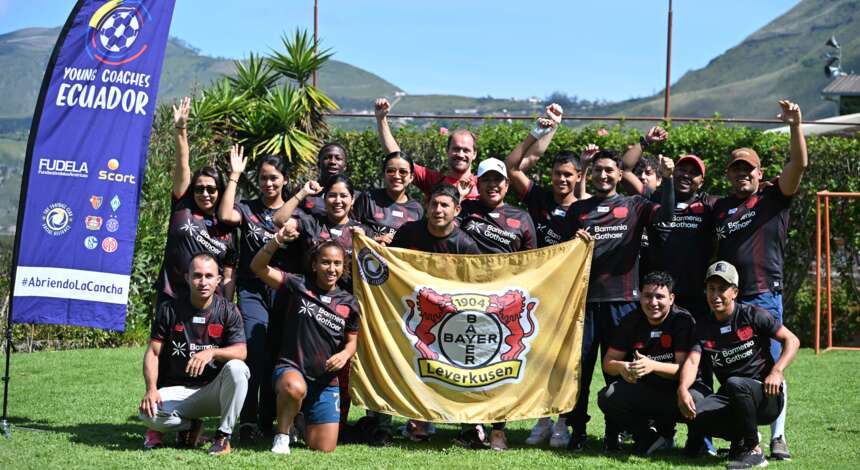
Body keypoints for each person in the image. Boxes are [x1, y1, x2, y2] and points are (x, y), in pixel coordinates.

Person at [560, 149, 675, 451]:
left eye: (610, 170)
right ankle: (578, 431)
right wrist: (575, 243)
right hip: (584, 304)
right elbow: (561, 256)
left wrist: (669, 180)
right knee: (580, 372)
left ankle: (615, 432)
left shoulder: (634, 205)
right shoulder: (578, 210)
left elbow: (666, 213)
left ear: (620, 174)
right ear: (591, 173)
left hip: (622, 303)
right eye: (598, 170)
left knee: (621, 371)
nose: (604, 175)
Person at [712, 100, 808, 460]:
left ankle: (778, 436)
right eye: (736, 170)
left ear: (759, 171)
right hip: (729, 299)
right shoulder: (720, 207)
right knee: (736, 368)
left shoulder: (774, 196)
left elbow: (798, 164)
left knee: (770, 365)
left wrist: (796, 125)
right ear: (729, 174)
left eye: (748, 169)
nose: (742, 175)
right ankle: (742, 434)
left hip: (764, 295)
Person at [677, 261, 799, 469]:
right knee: (695, 414)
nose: (715, 295)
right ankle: (741, 440)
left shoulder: (752, 315)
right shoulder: (703, 327)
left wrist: (777, 371)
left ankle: (754, 450)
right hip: (732, 397)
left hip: (766, 395)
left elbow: (792, 340)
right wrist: (682, 389)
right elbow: (692, 361)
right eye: (711, 288)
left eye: (722, 289)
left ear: (734, 292)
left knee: (735, 383)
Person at [387, 184, 480, 442]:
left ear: (456, 210)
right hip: (416, 316)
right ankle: (419, 421)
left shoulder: (465, 244)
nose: (438, 210)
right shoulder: (408, 233)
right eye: (434, 204)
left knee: (462, 372)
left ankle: (470, 425)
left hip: (454, 320)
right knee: (418, 368)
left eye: (445, 205)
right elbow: (390, 266)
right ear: (427, 207)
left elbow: (477, 288)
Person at [454, 157, 537, 451]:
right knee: (467, 360)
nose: (493, 185)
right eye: (486, 179)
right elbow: (442, 233)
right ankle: (470, 425)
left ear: (507, 184)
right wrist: (459, 199)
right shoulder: (464, 210)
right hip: (466, 300)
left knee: (501, 365)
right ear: (478, 182)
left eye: (498, 179)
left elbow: (534, 263)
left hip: (504, 306)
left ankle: (499, 428)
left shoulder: (521, 217)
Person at [272, 175, 366, 429]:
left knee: (339, 370)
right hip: (306, 306)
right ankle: (289, 420)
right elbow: (279, 220)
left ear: (352, 200)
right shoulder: (312, 222)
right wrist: (303, 193)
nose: (338, 200)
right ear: (324, 199)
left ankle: (335, 423)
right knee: (298, 368)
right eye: (332, 195)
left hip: (343, 312)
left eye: (344, 195)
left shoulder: (360, 231)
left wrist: (375, 242)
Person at [251, 237, 360, 454]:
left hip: (325, 380)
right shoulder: (297, 285)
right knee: (295, 388)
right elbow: (258, 267)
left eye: (337, 263)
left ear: (344, 266)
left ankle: (298, 418)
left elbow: (352, 342)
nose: (331, 268)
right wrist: (277, 240)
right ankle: (282, 435)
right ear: (314, 264)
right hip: (292, 369)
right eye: (325, 262)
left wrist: (345, 355)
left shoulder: (349, 302)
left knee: (323, 448)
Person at [217, 146, 293, 442]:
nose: (268, 183)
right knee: (254, 352)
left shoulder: (293, 212)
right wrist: (235, 175)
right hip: (251, 291)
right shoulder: (247, 208)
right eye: (262, 178)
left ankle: (268, 419)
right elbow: (225, 214)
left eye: (274, 178)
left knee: (277, 355)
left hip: (282, 291)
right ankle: (248, 421)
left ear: (285, 180)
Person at [139, 253, 249, 456]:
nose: (203, 282)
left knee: (238, 368)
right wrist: (151, 389)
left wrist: (212, 352)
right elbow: (153, 353)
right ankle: (190, 426)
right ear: (187, 277)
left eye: (209, 276)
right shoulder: (169, 310)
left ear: (218, 280)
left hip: (214, 391)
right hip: (180, 389)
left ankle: (223, 437)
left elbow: (241, 352)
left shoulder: (228, 311)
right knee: (147, 414)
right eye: (197, 275)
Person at [597, 271, 702, 456]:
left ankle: (696, 443)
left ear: (671, 298)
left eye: (659, 297)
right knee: (609, 395)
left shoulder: (682, 321)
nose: (653, 302)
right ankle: (647, 436)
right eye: (647, 296)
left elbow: (685, 367)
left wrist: (652, 365)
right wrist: (622, 367)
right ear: (640, 296)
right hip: (648, 392)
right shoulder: (631, 321)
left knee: (699, 400)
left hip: (679, 392)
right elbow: (608, 362)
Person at [156, 97, 238, 304]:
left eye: (211, 189)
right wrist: (181, 129)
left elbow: (228, 275)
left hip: (211, 308)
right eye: (199, 188)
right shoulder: (183, 205)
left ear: (220, 191)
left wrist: (227, 310)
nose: (205, 194)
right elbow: (183, 165)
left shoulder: (228, 226)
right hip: (172, 299)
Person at [505, 104, 592, 251]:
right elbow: (510, 168)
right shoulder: (539, 197)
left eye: (568, 174)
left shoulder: (584, 210)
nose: (562, 179)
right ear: (551, 174)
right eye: (557, 173)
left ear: (579, 176)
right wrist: (535, 134)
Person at [375, 97, 480, 200]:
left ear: (474, 154)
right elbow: (397, 157)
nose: (461, 154)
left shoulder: (483, 185)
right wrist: (381, 119)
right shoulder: (433, 180)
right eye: (456, 149)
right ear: (447, 151)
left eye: (466, 150)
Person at [352, 150, 424, 245]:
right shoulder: (368, 198)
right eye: (391, 171)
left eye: (403, 172)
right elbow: (351, 227)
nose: (397, 176)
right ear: (383, 174)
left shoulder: (417, 209)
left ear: (411, 177)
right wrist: (374, 238)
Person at [300, 142, 352, 217]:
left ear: (345, 166)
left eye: (338, 158)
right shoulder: (305, 193)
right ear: (318, 164)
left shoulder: (355, 197)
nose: (332, 162)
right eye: (327, 157)